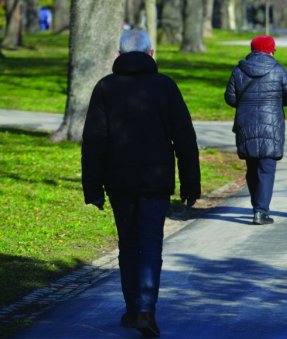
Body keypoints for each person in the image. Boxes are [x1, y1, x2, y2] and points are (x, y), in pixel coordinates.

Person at [81, 29, 200, 337]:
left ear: (119, 56)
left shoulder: (105, 87)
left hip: (118, 180)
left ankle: (133, 308)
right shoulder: (165, 86)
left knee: (128, 243)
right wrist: (190, 183)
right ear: (151, 54)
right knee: (150, 244)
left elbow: (94, 141)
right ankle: (146, 308)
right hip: (156, 179)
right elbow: (185, 138)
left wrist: (92, 188)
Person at [225, 35, 287, 225]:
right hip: (271, 123)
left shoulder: (239, 70)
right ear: (272, 50)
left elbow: (230, 98)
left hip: (245, 122)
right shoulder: (278, 70)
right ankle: (260, 211)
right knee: (267, 167)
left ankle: (256, 204)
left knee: (252, 166)